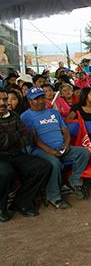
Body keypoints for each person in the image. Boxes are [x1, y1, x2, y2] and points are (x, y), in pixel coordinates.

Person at [20, 87, 90, 209]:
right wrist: (51, 151)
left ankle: (74, 180)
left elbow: (65, 131)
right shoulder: (26, 116)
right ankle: (54, 197)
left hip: (60, 148)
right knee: (54, 163)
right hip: (40, 150)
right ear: (30, 101)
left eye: (42, 97)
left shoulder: (54, 113)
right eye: (36, 99)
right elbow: (34, 139)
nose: (41, 101)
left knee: (83, 153)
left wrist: (66, 145)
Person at [0, 88, 52, 222]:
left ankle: (21, 202)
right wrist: (15, 137)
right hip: (2, 158)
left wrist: (9, 139)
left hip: (16, 154)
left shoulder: (14, 116)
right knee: (5, 173)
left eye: (5, 99)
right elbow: (3, 142)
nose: (3, 103)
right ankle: (1, 208)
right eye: (0, 100)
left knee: (43, 166)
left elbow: (27, 137)